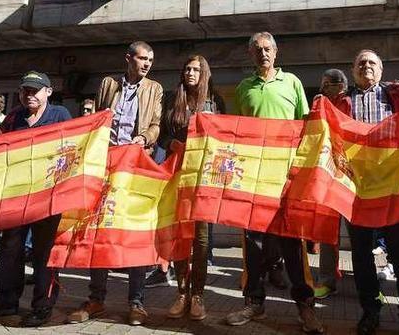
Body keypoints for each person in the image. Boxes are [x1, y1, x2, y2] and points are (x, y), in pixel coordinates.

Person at [225, 32, 323, 334]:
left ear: (276, 53)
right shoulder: (243, 88)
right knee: (253, 246)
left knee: (293, 245)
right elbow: (237, 134)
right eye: (257, 50)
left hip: (286, 180)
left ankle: (305, 307)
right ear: (250, 54)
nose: (263, 53)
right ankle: (254, 303)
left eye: (267, 49)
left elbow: (304, 128)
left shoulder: (292, 83)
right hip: (253, 180)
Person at [67, 41, 163, 326]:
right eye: (142, 58)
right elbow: (98, 116)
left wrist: (144, 139)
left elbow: (156, 124)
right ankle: (96, 299)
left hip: (135, 165)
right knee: (99, 230)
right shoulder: (108, 83)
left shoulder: (154, 88)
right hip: (106, 166)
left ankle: (136, 302)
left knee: (134, 231)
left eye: (150, 60)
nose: (146, 64)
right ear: (128, 58)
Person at [0, 72, 70, 327]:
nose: (30, 94)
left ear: (48, 92)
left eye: (36, 90)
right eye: (26, 90)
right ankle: (5, 304)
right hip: (16, 196)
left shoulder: (60, 115)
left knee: (43, 254)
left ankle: (42, 306)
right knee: (10, 250)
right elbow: (1, 150)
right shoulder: (14, 116)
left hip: (48, 197)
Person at [345, 50, 399, 335]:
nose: (366, 66)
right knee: (362, 255)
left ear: (382, 69)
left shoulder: (397, 96)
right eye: (361, 63)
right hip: (357, 191)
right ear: (353, 70)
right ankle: (370, 311)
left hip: (392, 189)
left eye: (372, 63)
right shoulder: (342, 102)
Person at [161, 55, 225, 321]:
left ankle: (197, 294)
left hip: (203, 178)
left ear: (204, 73)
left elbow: (224, 136)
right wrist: (170, 143)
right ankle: (181, 292)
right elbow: (162, 132)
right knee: (179, 235)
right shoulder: (171, 98)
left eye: (196, 69)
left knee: (200, 239)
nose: (190, 72)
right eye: (186, 68)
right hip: (176, 175)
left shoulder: (214, 101)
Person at [311, 69, 351, 300]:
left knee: (361, 232)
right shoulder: (320, 104)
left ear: (343, 84)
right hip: (328, 171)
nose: (328, 87)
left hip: (352, 173)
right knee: (327, 230)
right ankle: (327, 278)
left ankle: (367, 279)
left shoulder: (351, 101)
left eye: (333, 83)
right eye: (324, 84)